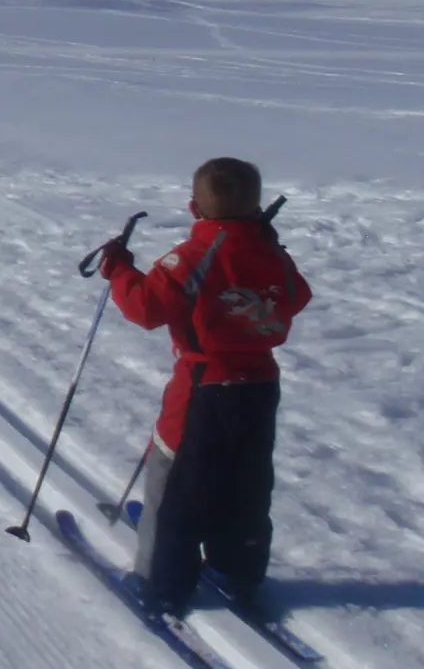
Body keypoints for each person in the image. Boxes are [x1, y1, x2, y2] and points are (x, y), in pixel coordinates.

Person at [98, 158, 311, 620]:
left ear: (195, 207)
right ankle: (238, 567)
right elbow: (296, 294)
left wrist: (118, 270)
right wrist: (265, 246)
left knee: (175, 484)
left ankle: (161, 584)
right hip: (258, 388)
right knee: (245, 483)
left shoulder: (195, 254)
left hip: (202, 389)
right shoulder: (269, 252)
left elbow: (145, 307)